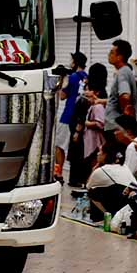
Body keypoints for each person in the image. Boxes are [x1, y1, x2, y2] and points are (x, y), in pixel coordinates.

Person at [54, 52, 87, 184]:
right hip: (80, 117)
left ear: (75, 63)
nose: (70, 63)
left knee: (59, 145)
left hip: (68, 115)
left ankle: (59, 172)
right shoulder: (86, 77)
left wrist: (61, 79)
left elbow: (62, 95)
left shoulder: (72, 77)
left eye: (72, 61)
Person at [86, 146, 137, 223]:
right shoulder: (124, 166)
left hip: (119, 200)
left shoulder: (102, 170)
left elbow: (88, 186)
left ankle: (107, 216)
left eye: (100, 151)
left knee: (93, 191)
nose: (97, 153)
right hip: (131, 202)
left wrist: (95, 168)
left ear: (105, 155)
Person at [102, 40, 137, 134]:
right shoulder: (123, 71)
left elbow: (125, 95)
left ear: (119, 57)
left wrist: (124, 115)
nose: (109, 55)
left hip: (116, 126)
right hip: (115, 126)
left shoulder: (123, 72)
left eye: (112, 53)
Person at [82, 66, 108, 173]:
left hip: (95, 142)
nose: (86, 93)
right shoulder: (93, 106)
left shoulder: (97, 107)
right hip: (89, 141)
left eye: (89, 91)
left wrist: (87, 123)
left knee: (94, 164)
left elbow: (100, 123)